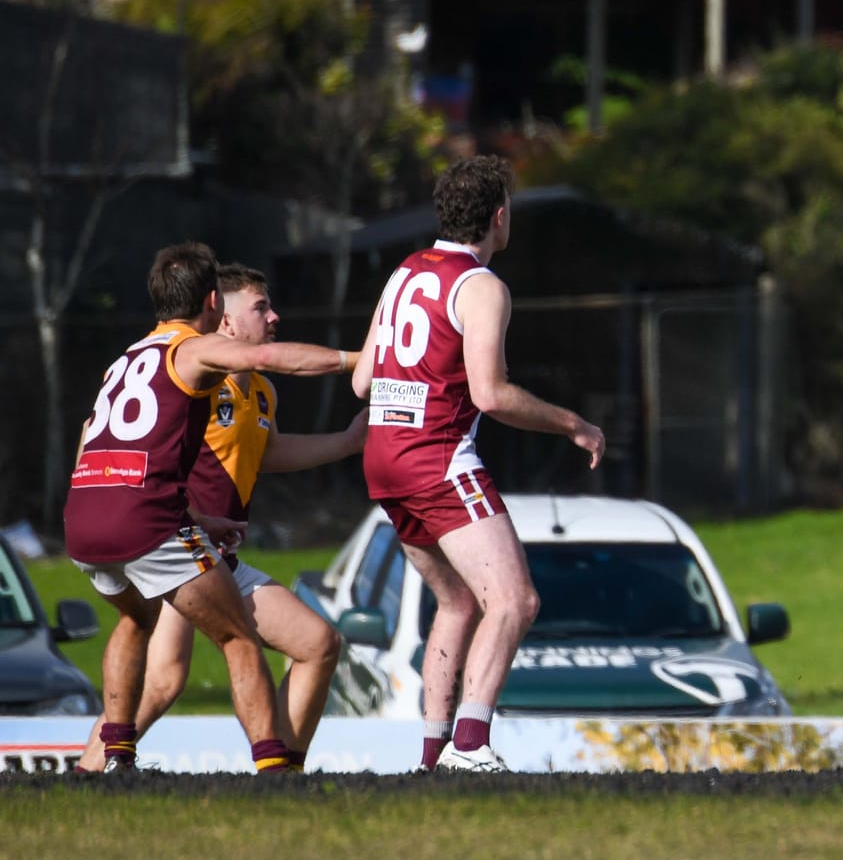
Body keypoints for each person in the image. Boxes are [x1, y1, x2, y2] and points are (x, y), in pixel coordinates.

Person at [352, 156, 605, 772]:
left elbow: (363, 379)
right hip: (435, 460)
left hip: (384, 460)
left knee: (459, 602)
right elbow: (491, 395)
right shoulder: (481, 285)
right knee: (515, 601)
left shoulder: (404, 273)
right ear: (499, 217)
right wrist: (573, 423)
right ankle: (470, 746)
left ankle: (434, 753)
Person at [64, 243, 355, 773]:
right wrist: (359, 361)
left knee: (316, 641)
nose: (273, 317)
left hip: (178, 537)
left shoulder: (254, 391)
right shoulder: (197, 363)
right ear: (219, 310)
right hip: (166, 539)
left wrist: (347, 442)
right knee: (174, 671)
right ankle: (95, 766)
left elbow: (264, 452)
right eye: (260, 307)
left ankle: (281, 770)